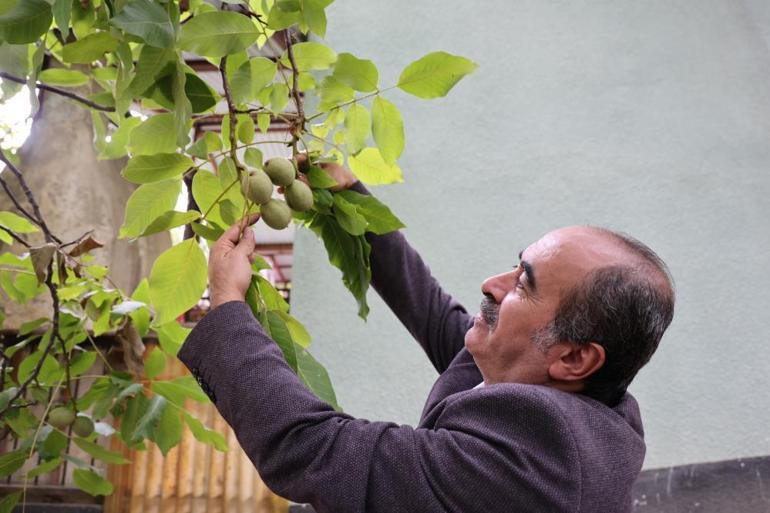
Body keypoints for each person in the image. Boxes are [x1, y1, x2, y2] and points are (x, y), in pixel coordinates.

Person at [178, 162, 675, 513]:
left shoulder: (533, 468)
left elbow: (317, 451)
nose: (492, 284)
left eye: (525, 283)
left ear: (574, 357)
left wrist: (227, 305)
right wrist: (351, 197)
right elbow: (439, 319)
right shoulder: (582, 400)